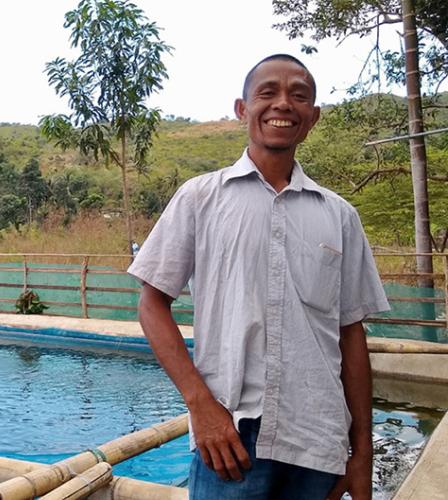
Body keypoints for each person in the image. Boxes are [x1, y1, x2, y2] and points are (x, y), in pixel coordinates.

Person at [128, 54, 389, 500]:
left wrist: (360, 451)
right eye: (267, 92)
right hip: (229, 437)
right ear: (242, 109)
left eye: (299, 95)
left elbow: (350, 335)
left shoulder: (340, 216)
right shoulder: (200, 198)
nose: (283, 104)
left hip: (318, 441)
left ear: (313, 117)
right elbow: (152, 305)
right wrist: (201, 406)